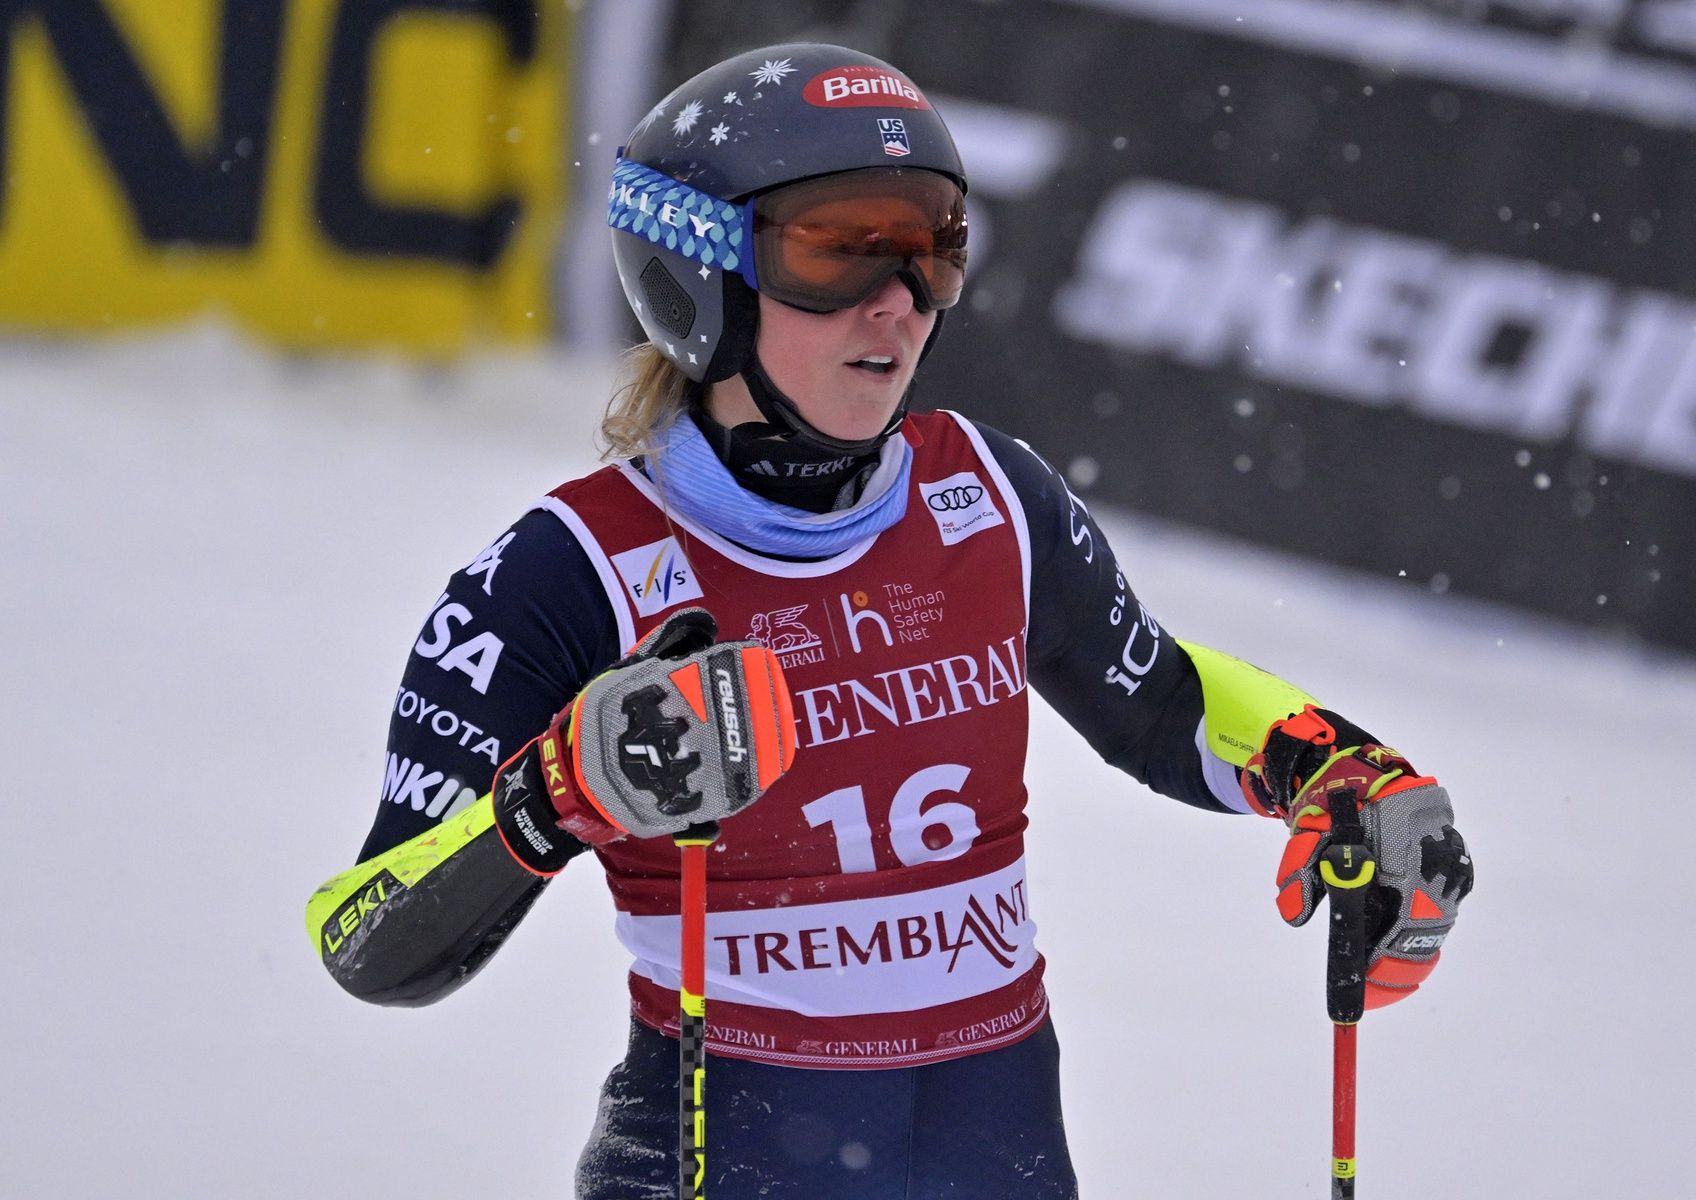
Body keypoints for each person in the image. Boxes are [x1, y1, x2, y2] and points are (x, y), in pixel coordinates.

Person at [305, 42, 1473, 1199]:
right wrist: (562, 792)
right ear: (699, 275)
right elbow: (367, 942)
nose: (898, 305)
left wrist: (1335, 772)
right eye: (839, 251)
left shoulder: (991, 496)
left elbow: (1161, 702)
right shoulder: (570, 572)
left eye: (933, 250)